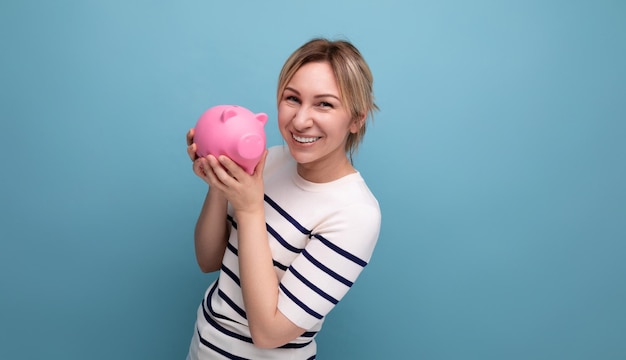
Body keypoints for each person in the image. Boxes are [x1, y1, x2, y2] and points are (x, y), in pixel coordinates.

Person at [185, 38, 381, 359]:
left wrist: (250, 208)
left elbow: (269, 333)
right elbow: (208, 260)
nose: (300, 120)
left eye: (325, 104)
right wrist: (218, 179)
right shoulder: (272, 159)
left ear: (357, 118)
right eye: (292, 99)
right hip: (203, 347)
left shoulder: (356, 214)